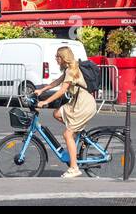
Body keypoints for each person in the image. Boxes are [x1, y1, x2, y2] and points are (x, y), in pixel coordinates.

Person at [34, 45, 95, 178]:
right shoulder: (70, 68)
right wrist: (42, 90)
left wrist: (45, 101)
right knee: (56, 113)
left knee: (67, 135)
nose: (56, 59)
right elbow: (57, 82)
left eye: (57, 57)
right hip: (77, 103)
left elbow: (62, 90)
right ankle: (76, 131)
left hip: (83, 105)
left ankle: (74, 168)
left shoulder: (72, 70)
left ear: (63, 58)